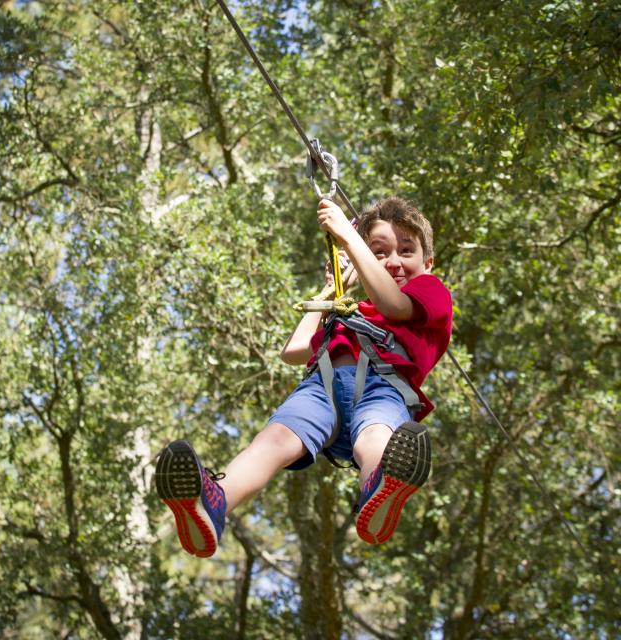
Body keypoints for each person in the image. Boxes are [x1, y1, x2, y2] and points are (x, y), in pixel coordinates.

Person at [155, 196, 453, 557]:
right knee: (274, 440)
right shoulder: (353, 309)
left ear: (428, 262)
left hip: (384, 387)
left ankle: (380, 485)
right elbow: (294, 350)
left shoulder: (430, 292)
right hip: (322, 387)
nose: (393, 261)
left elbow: (394, 304)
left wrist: (348, 233)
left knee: (373, 438)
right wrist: (329, 291)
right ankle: (214, 502)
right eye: (379, 252)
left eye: (406, 251)